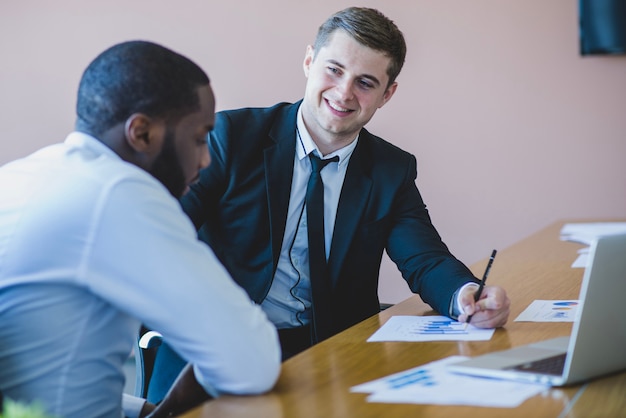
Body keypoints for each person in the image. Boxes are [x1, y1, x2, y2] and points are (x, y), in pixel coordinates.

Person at [149, 6, 511, 399]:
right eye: (334, 70)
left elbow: (425, 260)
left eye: (366, 82)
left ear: (387, 94)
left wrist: (467, 296)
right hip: (212, 352)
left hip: (328, 357)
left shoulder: (391, 170)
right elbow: (167, 236)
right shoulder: (231, 138)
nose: (343, 93)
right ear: (309, 61)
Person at [0, 40, 281, 418]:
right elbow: (252, 363)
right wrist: (171, 408)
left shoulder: (21, 176)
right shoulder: (119, 192)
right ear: (143, 133)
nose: (206, 158)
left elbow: (41, 371)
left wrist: (145, 410)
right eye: (199, 138)